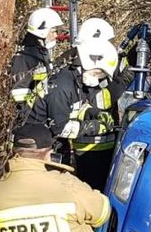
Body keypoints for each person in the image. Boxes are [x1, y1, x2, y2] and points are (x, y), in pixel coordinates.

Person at [28, 38, 125, 190]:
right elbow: (60, 128)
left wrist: (94, 113)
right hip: (34, 148)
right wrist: (95, 127)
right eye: (99, 73)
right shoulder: (62, 86)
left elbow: (77, 108)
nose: (99, 79)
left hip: (53, 144)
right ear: (88, 63)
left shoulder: (77, 82)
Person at [9, 8, 64, 107]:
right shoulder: (24, 58)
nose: (56, 35)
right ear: (41, 32)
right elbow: (20, 97)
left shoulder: (41, 53)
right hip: (32, 118)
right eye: (53, 32)